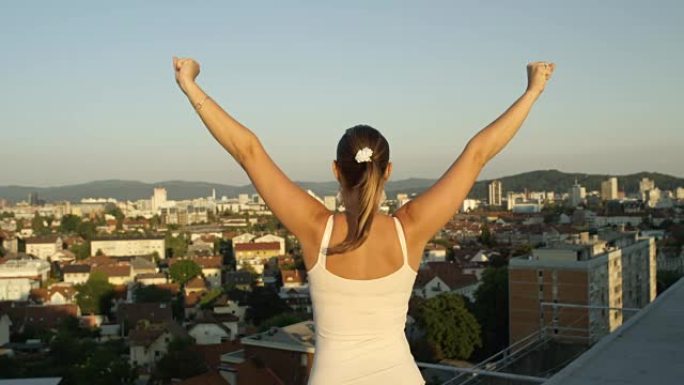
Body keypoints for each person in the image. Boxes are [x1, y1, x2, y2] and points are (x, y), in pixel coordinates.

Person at [172, 57, 555, 384]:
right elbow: (478, 153)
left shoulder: (315, 227)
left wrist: (189, 85)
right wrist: (533, 90)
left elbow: (248, 151)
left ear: (336, 171)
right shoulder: (411, 228)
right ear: (388, 170)